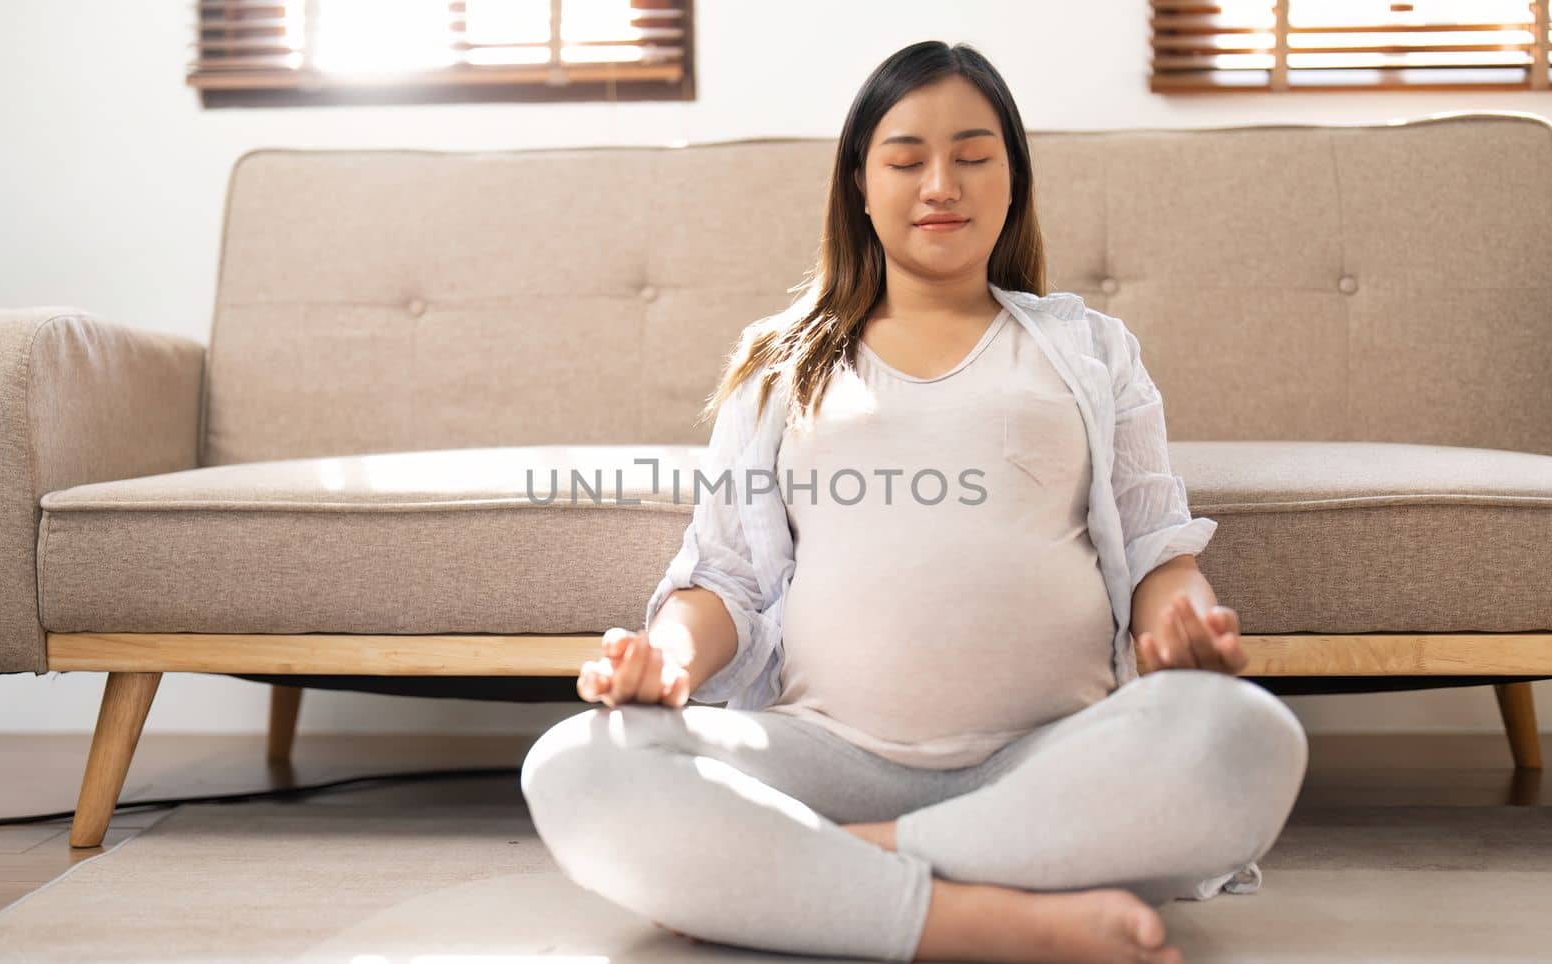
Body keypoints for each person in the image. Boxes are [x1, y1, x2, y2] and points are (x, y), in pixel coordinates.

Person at [520, 39, 1308, 964]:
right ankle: (999, 915)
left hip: (1053, 756)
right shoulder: (783, 367)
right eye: (906, 160)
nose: (942, 183)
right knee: (578, 763)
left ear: (1013, 181)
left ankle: (822, 876)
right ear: (860, 182)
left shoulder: (1090, 351)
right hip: (823, 758)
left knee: (1245, 735)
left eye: (974, 158)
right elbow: (724, 576)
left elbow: (1156, 552)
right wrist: (665, 661)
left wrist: (1189, 638)